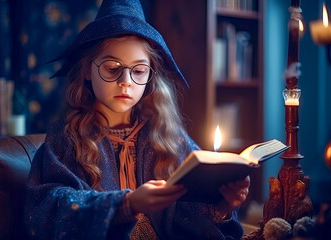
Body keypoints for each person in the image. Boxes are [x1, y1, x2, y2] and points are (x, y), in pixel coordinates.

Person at [23, 0, 250, 239]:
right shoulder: (67, 138)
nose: (126, 81)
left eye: (139, 71)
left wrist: (222, 207)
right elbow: (49, 208)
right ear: (87, 70)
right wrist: (126, 204)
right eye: (112, 68)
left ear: (150, 75)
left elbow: (187, 214)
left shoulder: (167, 135)